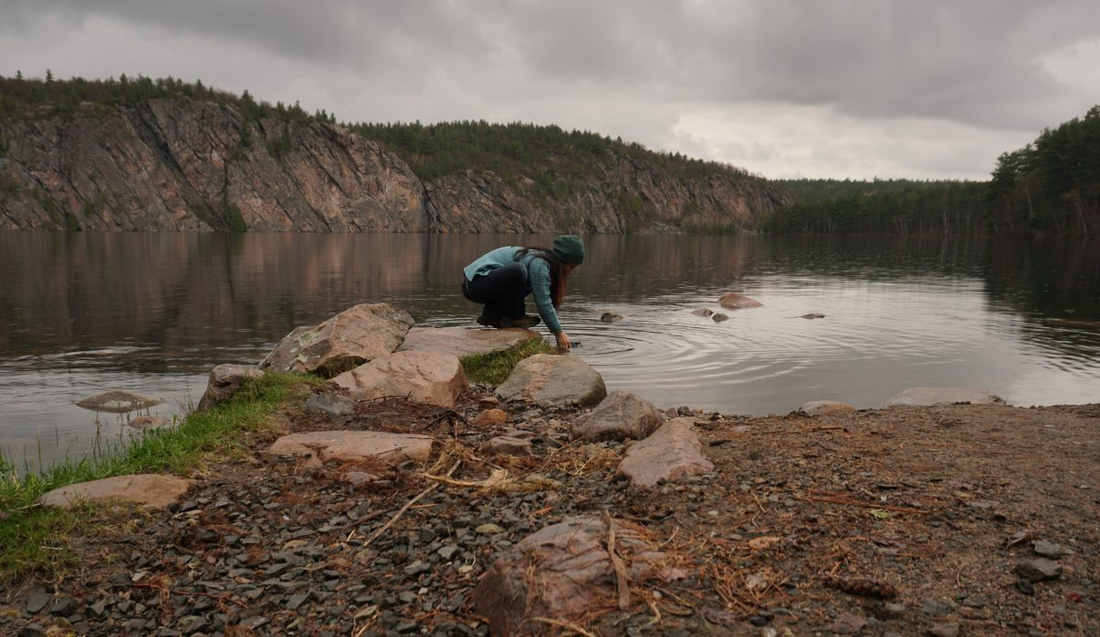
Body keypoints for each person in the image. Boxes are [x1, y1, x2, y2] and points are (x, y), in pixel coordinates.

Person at [461, 235, 584, 350]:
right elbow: (543, 302)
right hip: (475, 284)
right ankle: (513, 317)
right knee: (518, 271)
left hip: (483, 284)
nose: (570, 271)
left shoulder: (543, 262)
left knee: (524, 281)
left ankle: (492, 315)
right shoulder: (539, 264)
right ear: (562, 261)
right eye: (571, 267)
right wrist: (559, 332)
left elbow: (547, 298)